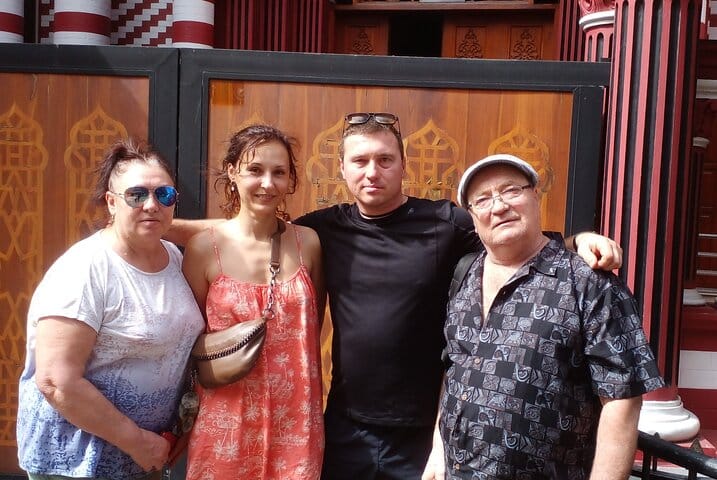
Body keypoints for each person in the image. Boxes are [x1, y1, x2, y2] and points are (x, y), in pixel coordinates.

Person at [167, 112, 623, 480]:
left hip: (422, 432)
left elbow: (510, 234)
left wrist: (578, 240)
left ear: (404, 166)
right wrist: (159, 226)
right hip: (345, 426)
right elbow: (249, 227)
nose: (372, 172)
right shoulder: (322, 230)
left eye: (385, 160)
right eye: (360, 161)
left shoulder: (444, 223)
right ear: (342, 169)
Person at [422, 154, 665, 480]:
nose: (499, 206)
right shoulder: (465, 273)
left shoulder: (588, 282)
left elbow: (622, 398)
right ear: (473, 216)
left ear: (535, 195)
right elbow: (456, 369)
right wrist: (438, 451)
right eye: (483, 199)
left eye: (511, 190)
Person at [16, 139, 205, 480]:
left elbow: (239, 233)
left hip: (144, 458)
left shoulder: (176, 259)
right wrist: (136, 441)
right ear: (111, 202)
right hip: (75, 464)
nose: (152, 204)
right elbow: (56, 380)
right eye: (136, 195)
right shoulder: (86, 268)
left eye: (164, 195)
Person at [181, 124, 325, 479]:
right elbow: (188, 336)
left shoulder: (307, 243)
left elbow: (314, 323)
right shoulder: (205, 248)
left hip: (296, 418)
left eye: (279, 172)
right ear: (232, 172)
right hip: (225, 418)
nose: (267, 183)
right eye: (255, 170)